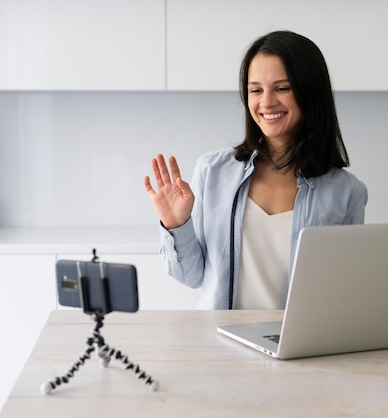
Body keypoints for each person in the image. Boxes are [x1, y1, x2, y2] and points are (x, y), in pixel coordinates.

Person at [144, 31, 367, 310]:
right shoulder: (212, 171)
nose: (266, 102)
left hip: (295, 348)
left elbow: (340, 293)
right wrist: (176, 225)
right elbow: (191, 277)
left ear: (310, 91)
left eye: (282, 88)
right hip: (221, 345)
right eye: (256, 90)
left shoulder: (346, 192)